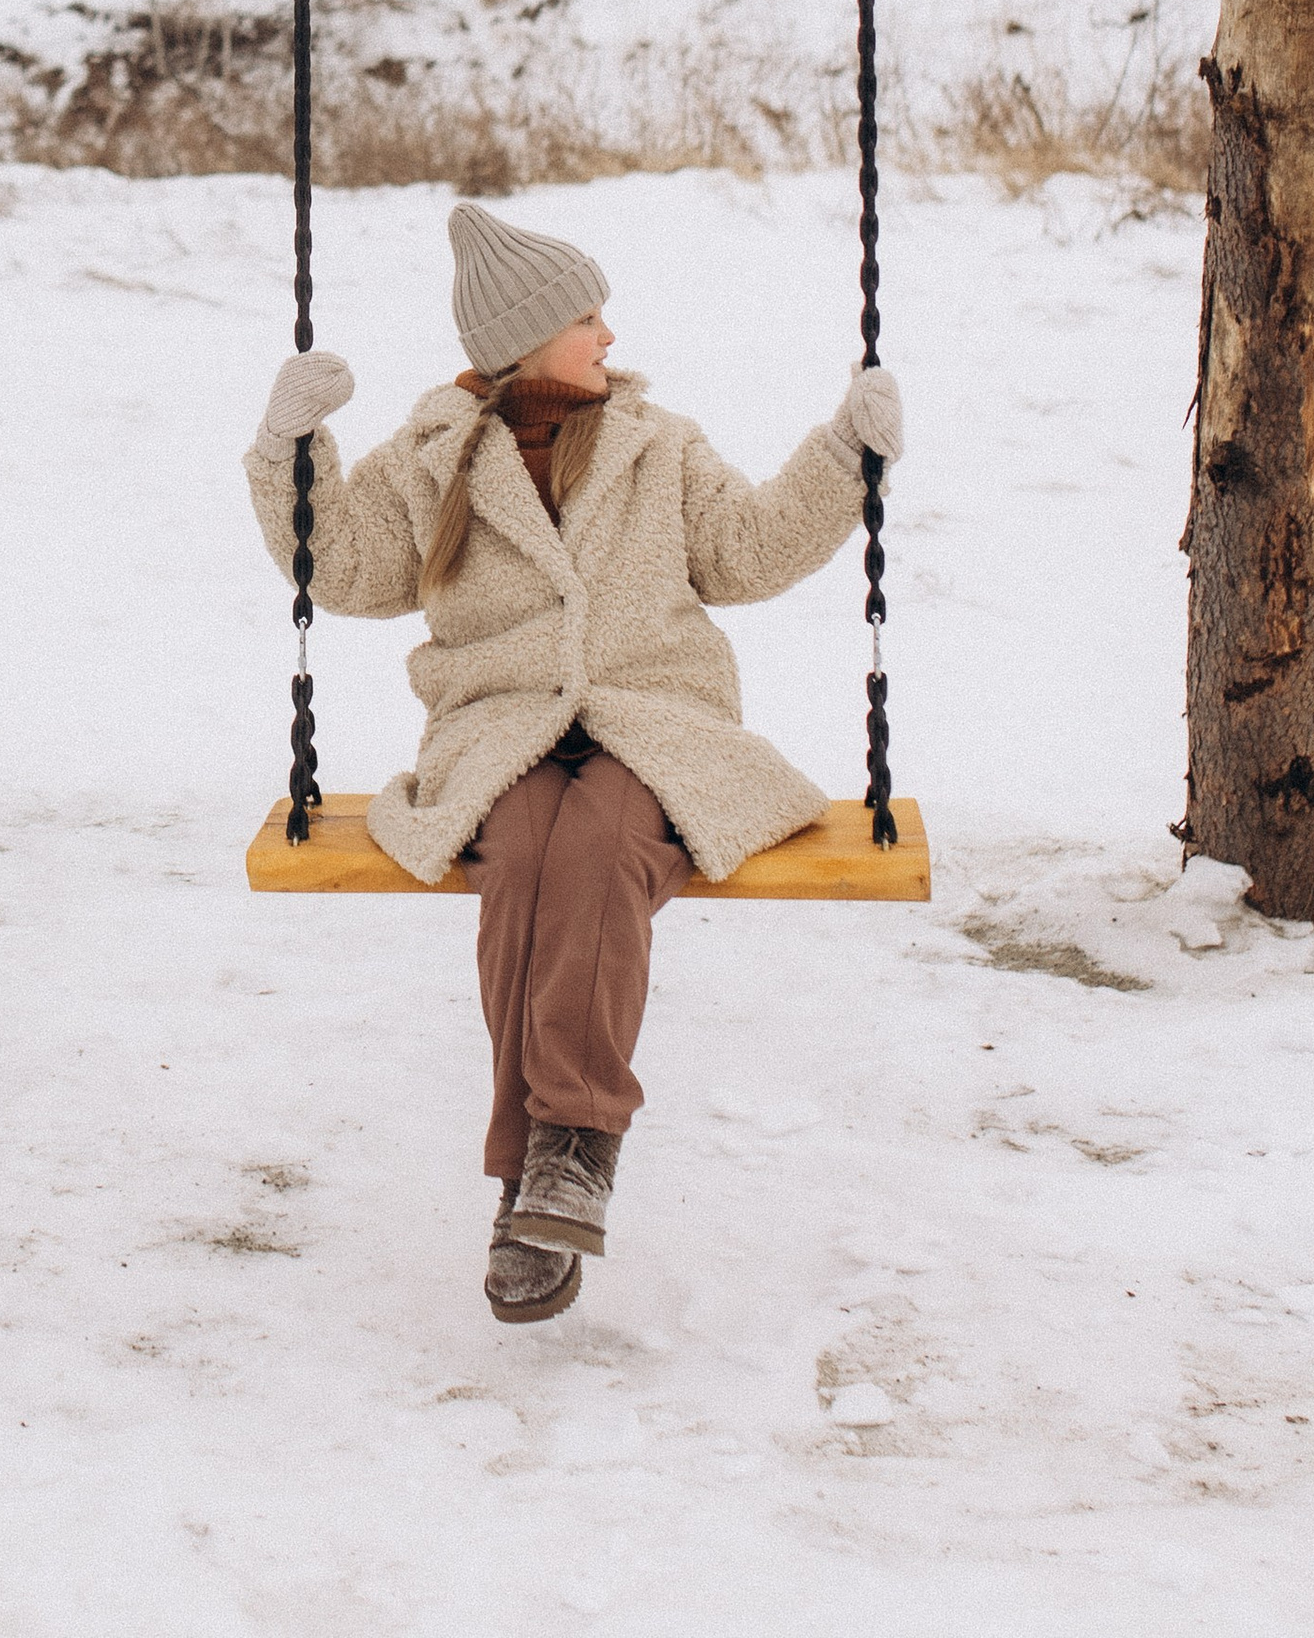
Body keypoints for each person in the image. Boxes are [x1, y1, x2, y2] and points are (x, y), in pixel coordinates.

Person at [245, 200, 904, 1325]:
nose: (607, 335)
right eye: (585, 317)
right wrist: (290, 449)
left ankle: (560, 1155)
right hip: (497, 726)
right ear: (523, 338)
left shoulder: (658, 446)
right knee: (526, 858)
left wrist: (845, 450)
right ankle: (551, 1173)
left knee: (598, 839)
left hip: (653, 720)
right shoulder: (431, 461)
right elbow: (344, 569)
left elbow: (747, 551)